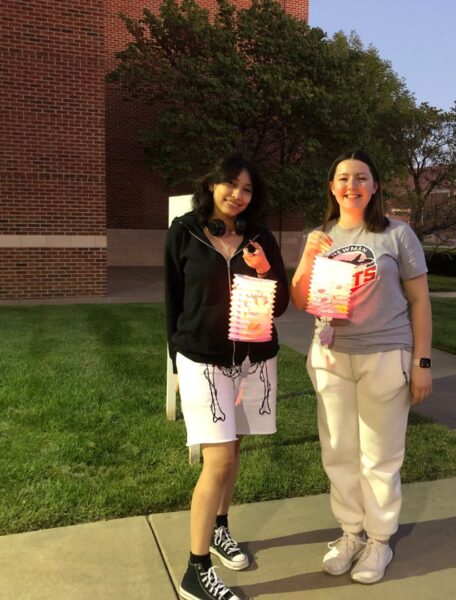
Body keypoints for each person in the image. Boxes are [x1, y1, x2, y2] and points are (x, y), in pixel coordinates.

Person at [291, 150, 432, 585]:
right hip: (332, 356)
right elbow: (300, 301)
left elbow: (420, 301)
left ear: (374, 186)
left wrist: (422, 361)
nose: (352, 185)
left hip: (385, 354)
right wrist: (308, 257)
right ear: (332, 187)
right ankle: (350, 533)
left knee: (380, 456)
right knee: (339, 452)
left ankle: (379, 540)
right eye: (343, 178)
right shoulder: (321, 235)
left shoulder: (397, 234)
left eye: (361, 177)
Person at [165, 155, 289, 600]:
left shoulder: (260, 237)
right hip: (203, 358)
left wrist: (262, 270)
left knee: (233, 451)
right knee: (216, 460)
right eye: (230, 185)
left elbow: (280, 306)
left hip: (253, 361)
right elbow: (173, 303)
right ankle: (195, 572)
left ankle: (219, 529)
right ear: (212, 184)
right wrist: (177, 365)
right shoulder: (185, 231)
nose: (237, 195)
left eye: (247, 190)